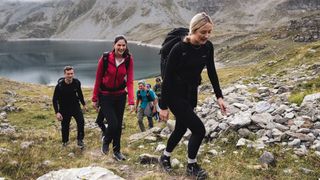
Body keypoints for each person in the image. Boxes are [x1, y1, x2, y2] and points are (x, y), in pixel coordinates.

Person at [159, 12, 227, 179]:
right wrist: (163, 106)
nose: (206, 36)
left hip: (191, 93)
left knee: (182, 127)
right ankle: (191, 165)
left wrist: (219, 97)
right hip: (175, 93)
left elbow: (212, 71)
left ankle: (165, 157)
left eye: (209, 32)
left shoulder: (208, 47)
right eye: (202, 32)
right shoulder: (179, 49)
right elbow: (166, 79)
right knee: (199, 129)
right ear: (193, 30)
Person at [92, 35, 134, 161]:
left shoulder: (128, 59)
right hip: (105, 96)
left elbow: (130, 81)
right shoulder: (105, 58)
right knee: (113, 123)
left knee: (119, 125)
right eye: (119, 45)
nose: (121, 48)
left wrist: (131, 101)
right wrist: (95, 98)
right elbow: (98, 79)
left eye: (123, 45)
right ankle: (106, 141)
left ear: (126, 46)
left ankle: (117, 151)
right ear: (114, 45)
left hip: (120, 96)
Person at [52, 66, 87, 149]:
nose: (70, 75)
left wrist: (84, 104)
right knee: (65, 126)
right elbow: (54, 100)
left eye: (71, 73)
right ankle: (65, 141)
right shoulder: (59, 86)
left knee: (81, 122)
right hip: (64, 108)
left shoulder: (77, 82)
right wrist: (57, 112)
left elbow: (80, 94)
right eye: (68, 74)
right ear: (64, 74)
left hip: (75, 107)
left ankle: (80, 140)